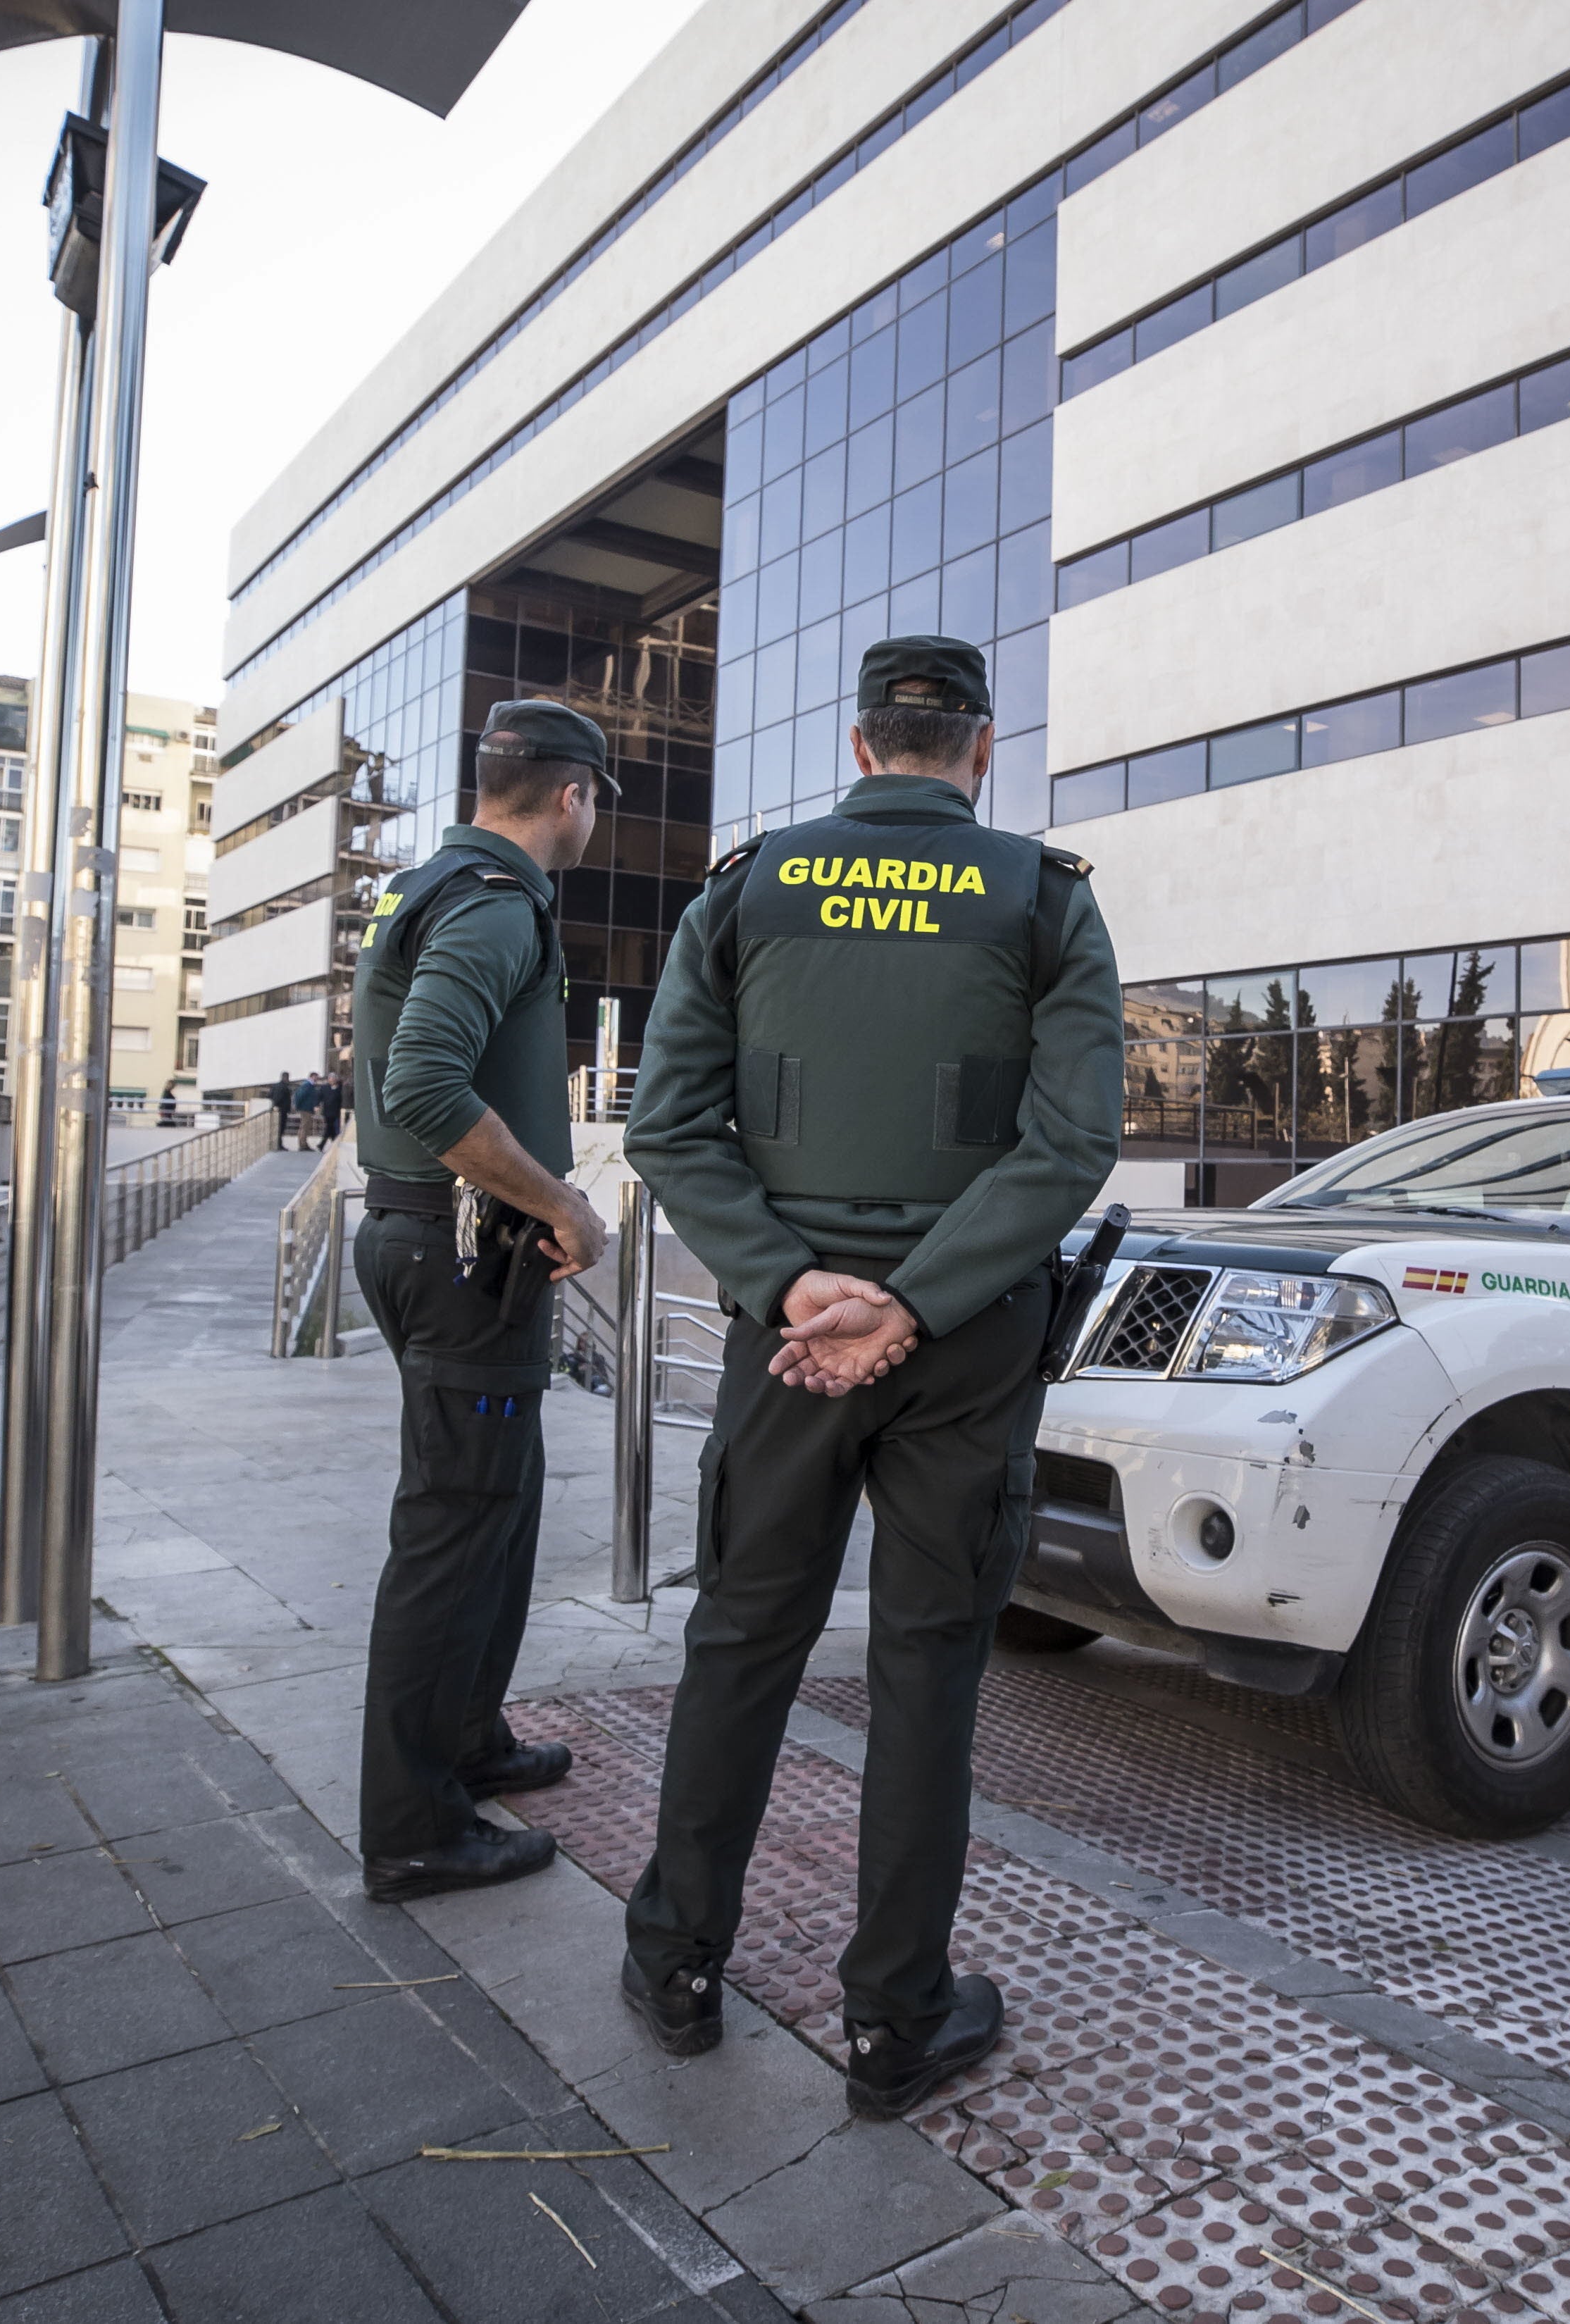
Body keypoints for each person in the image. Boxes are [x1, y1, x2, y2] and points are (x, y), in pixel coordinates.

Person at [621, 635, 1121, 2120]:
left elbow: (668, 1123)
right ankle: (895, 2018)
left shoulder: (748, 886)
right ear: (978, 749)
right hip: (961, 1344)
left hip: (787, 1341)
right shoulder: (1043, 898)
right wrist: (911, 1302)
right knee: (925, 1669)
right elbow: (1066, 1145)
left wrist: (794, 1287)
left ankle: (674, 1965)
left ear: (857, 749)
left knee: (741, 1642)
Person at [348, 701, 616, 1901]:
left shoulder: (433, 883)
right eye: (596, 802)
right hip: (465, 1254)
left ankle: (468, 1743)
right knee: (454, 1527)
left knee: (493, 1509)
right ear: (571, 796)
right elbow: (421, 1082)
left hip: (440, 1248)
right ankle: (414, 1825)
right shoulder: (498, 902)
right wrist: (561, 1201)